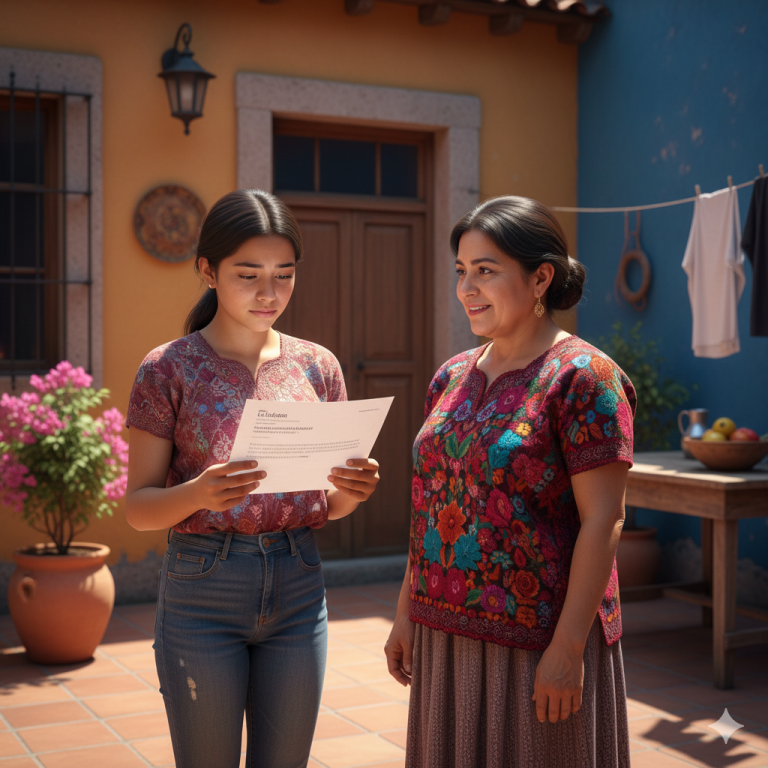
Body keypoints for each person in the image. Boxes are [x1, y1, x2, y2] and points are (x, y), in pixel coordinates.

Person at [125, 189, 380, 768]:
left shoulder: (318, 365)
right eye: (249, 275)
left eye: (284, 275)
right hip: (202, 587)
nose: (269, 293)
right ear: (207, 271)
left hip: (298, 582)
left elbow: (329, 501)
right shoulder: (167, 367)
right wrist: (198, 493)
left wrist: (350, 493)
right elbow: (138, 506)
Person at [384, 196, 635, 768]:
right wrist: (406, 610)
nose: (466, 288)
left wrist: (568, 648)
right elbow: (433, 506)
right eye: (461, 271)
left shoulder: (583, 377)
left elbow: (605, 519)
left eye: (486, 271)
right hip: (446, 633)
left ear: (541, 276)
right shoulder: (450, 376)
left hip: (538, 639)